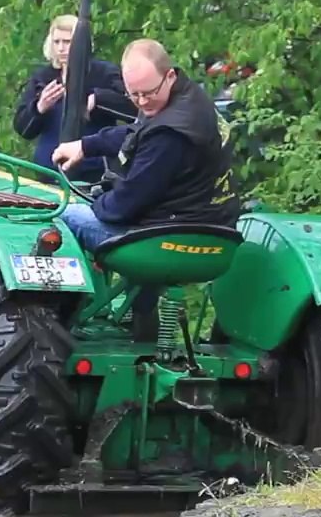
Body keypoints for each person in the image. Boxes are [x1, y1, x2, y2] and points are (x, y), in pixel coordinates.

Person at [51, 38, 239, 339]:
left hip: (167, 240)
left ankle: (58, 325)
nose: (141, 102)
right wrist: (86, 145)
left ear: (169, 76)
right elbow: (138, 133)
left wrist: (94, 201)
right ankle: (142, 323)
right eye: (133, 94)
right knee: (141, 216)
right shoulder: (190, 100)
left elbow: (124, 206)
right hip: (216, 233)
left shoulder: (169, 134)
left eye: (148, 93)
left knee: (64, 214)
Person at [13, 14, 137, 183]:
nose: (61, 48)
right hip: (49, 173)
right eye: (56, 42)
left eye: (67, 42)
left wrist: (99, 99)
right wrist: (39, 107)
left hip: (93, 173)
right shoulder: (43, 78)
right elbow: (23, 129)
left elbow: (135, 109)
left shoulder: (103, 73)